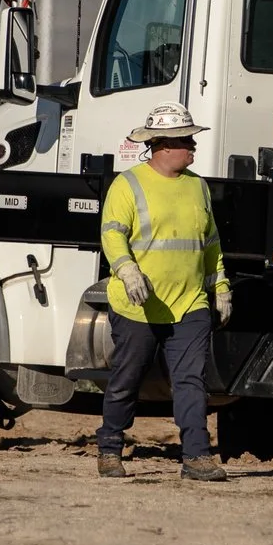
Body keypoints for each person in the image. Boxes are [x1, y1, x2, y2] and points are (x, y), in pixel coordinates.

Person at [95, 103, 234, 481]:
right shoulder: (128, 184)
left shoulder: (197, 187)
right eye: (187, 140)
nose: (193, 147)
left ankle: (197, 457)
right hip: (139, 304)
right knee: (128, 376)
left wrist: (219, 286)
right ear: (163, 145)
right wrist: (126, 269)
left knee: (191, 380)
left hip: (189, 303)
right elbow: (112, 233)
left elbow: (210, 244)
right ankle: (110, 448)